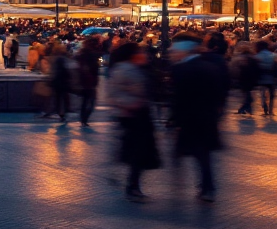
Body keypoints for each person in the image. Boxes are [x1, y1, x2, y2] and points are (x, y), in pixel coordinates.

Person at [169, 32, 228, 202]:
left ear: (183, 51)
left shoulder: (180, 69)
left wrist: (175, 119)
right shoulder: (211, 66)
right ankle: (207, 187)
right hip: (207, 117)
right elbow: (220, 92)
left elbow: (179, 97)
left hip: (189, 119)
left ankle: (179, 187)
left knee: (182, 153)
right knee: (203, 155)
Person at [108, 42, 160, 202]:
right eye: (140, 52)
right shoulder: (124, 69)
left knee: (137, 150)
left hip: (138, 114)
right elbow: (114, 93)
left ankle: (132, 183)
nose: (143, 54)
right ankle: (132, 186)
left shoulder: (136, 68)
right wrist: (128, 104)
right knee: (137, 151)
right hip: (132, 114)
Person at [75, 36, 102, 126]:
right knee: (91, 101)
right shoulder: (92, 54)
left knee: (85, 100)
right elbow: (94, 68)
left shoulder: (82, 52)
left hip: (83, 79)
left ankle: (83, 119)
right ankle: (84, 119)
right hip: (90, 80)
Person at [231, 42, 258, 115]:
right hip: (252, 79)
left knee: (246, 94)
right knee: (247, 94)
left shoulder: (238, 58)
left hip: (242, 79)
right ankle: (247, 108)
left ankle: (244, 109)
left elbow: (233, 69)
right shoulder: (254, 57)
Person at [254, 41, 277, 117]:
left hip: (262, 78)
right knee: (272, 95)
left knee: (263, 94)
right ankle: (271, 111)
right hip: (272, 78)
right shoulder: (274, 55)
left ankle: (265, 108)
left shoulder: (257, 56)